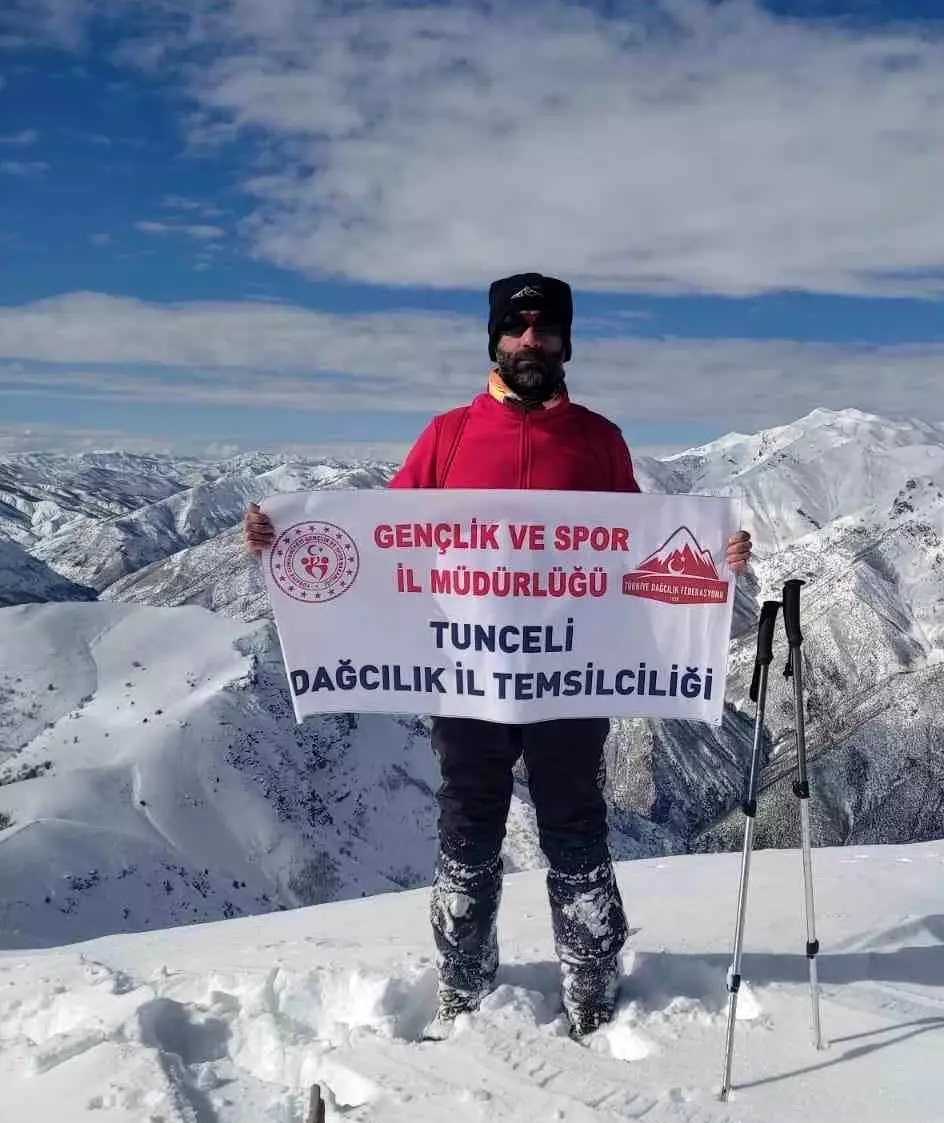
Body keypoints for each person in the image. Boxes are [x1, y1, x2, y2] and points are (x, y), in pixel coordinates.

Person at [245, 272, 752, 1038]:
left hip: (569, 674)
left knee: (575, 826)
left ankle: (590, 981)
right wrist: (287, 539)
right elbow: (382, 541)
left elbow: (641, 547)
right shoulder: (447, 436)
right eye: (515, 330)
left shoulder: (598, 439)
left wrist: (717, 557)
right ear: (495, 339)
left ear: (564, 343)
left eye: (545, 331)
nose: (529, 342)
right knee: (468, 828)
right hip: (467, 674)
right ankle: (463, 981)